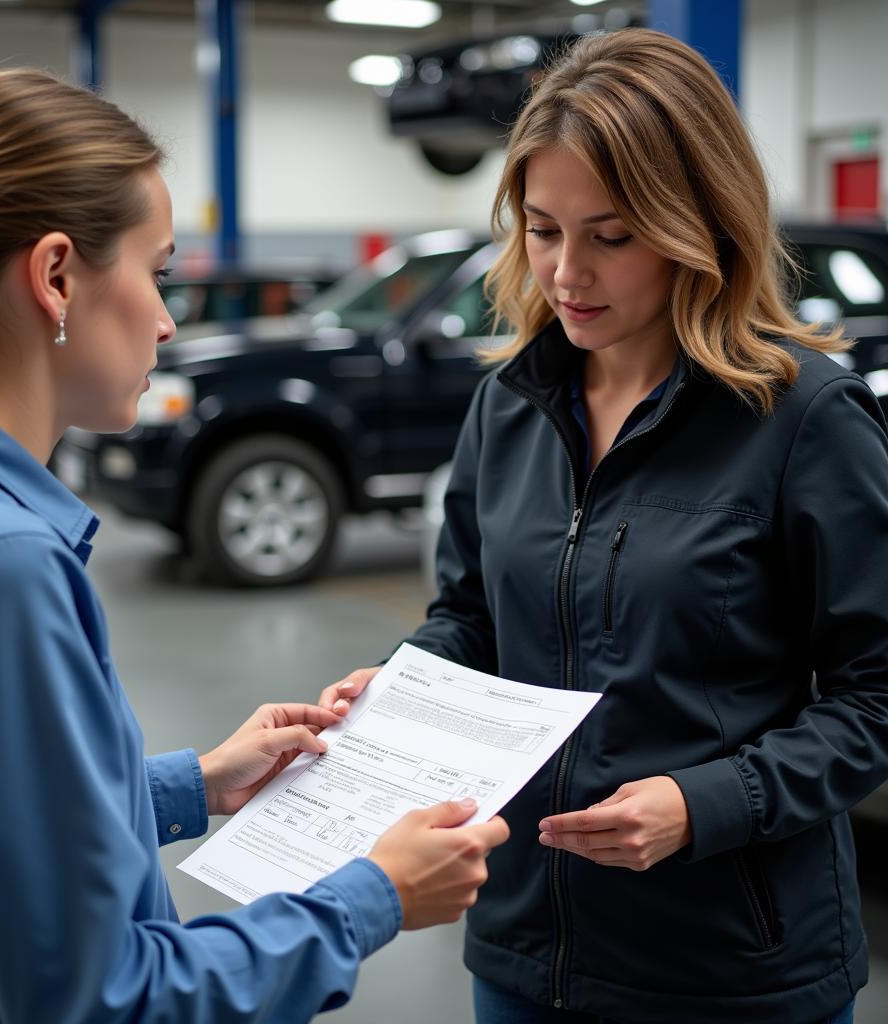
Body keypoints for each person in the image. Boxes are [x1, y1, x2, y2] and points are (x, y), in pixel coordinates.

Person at [0, 69, 510, 1023]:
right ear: (54, 278)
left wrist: (189, 785)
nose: (168, 320)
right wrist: (373, 895)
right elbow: (97, 1000)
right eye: (156, 273)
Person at [320, 27, 888, 1024]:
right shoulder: (509, 405)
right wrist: (405, 687)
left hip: (733, 970)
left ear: (696, 223)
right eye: (541, 228)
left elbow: (875, 696)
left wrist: (708, 803)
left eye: (611, 235)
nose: (565, 271)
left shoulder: (805, 419)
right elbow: (467, 615)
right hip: (524, 952)